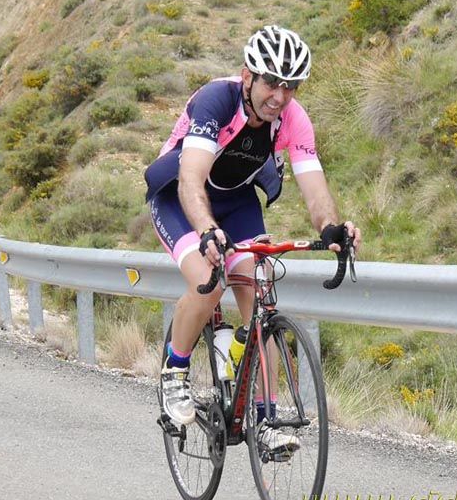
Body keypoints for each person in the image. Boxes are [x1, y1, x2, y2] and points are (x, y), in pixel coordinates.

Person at [144, 25, 361, 451]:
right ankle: (175, 370)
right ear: (248, 76)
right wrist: (206, 231)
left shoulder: (293, 120)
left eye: (290, 87)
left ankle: (265, 420)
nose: (279, 96)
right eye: (270, 83)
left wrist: (331, 228)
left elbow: (314, 188)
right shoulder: (216, 101)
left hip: (237, 200)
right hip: (180, 197)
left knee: (261, 295)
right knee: (208, 282)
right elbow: (191, 181)